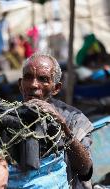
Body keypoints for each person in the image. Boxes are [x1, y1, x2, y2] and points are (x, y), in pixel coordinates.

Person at [18, 52, 93, 188]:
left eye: (43, 79)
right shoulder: (7, 116)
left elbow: (85, 171)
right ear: (20, 84)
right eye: (28, 77)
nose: (34, 85)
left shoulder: (75, 120)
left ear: (56, 88)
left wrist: (63, 127)